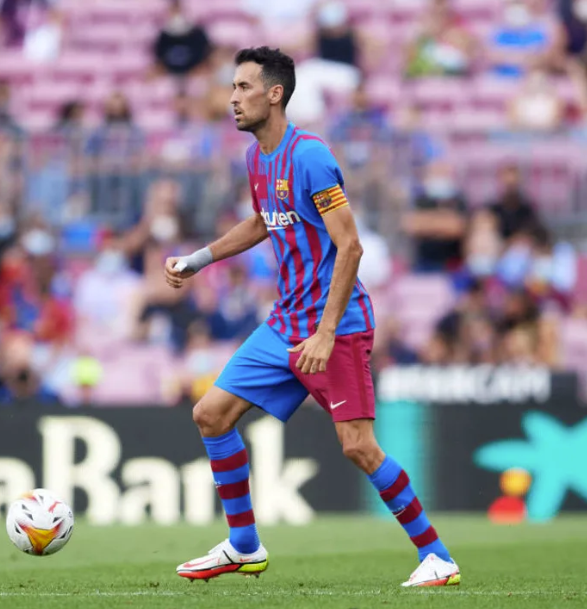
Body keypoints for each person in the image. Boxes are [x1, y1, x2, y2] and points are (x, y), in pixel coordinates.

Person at [164, 46, 460, 588]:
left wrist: (325, 333)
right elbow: (262, 222)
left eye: (243, 87)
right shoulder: (256, 158)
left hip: (335, 326)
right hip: (285, 322)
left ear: (274, 94)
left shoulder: (311, 157)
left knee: (358, 447)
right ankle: (244, 546)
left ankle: (437, 556)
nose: (232, 98)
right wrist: (198, 259)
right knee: (211, 414)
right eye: (232, 87)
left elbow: (351, 247)